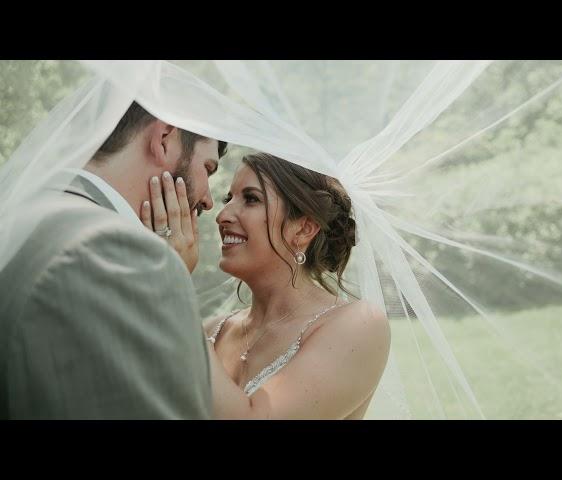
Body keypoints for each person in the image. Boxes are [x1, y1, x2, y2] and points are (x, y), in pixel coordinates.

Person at [0, 101, 226, 419]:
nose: (207, 199)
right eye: (208, 169)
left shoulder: (24, 210)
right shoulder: (117, 255)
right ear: (163, 138)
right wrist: (166, 270)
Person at [146, 152, 390, 419]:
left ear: (304, 229)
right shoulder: (207, 330)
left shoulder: (359, 325)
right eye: (229, 199)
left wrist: (173, 281)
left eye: (251, 199)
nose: (223, 215)